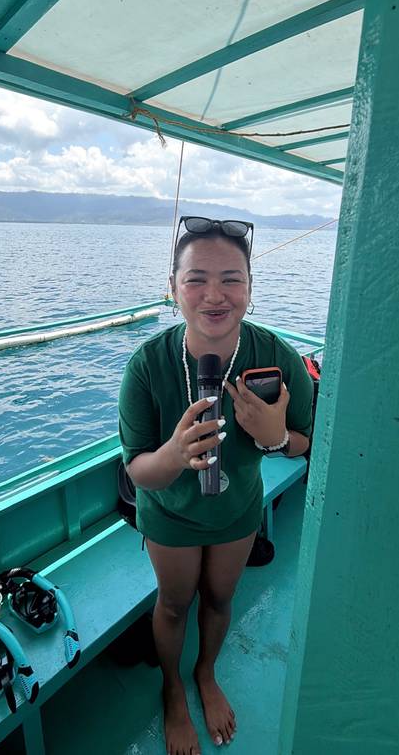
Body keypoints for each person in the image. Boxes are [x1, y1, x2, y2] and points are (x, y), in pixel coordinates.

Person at [118, 216, 313, 755]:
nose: (214, 295)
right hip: (169, 515)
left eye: (231, 278)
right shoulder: (146, 366)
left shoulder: (280, 358)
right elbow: (137, 471)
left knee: (221, 597)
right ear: (173, 286)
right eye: (196, 278)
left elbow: (306, 441)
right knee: (175, 604)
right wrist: (176, 456)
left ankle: (205, 673)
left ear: (250, 287)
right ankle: (173, 688)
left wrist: (276, 438)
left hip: (237, 511)